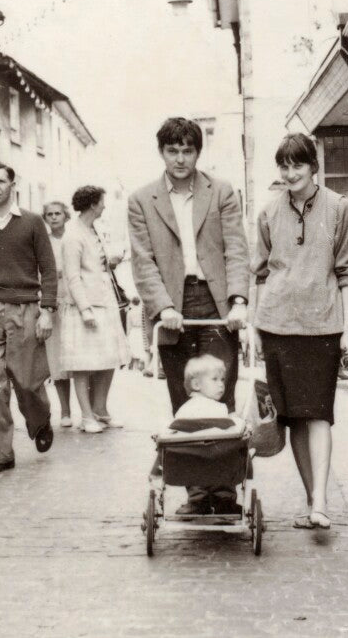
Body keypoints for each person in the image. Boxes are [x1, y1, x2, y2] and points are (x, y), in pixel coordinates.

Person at [128, 116, 249, 515]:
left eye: (188, 150)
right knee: (183, 402)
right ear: (161, 152)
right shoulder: (142, 199)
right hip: (172, 307)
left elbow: (235, 247)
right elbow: (143, 260)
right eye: (172, 150)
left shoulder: (222, 192)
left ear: (198, 152)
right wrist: (162, 306)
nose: (180, 159)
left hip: (214, 303)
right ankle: (198, 493)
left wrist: (238, 301)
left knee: (218, 393)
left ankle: (225, 492)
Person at [252, 133, 348, 531]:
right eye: (284, 165)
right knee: (295, 417)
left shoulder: (338, 208)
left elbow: (347, 271)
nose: (291, 172)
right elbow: (261, 274)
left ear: (313, 166)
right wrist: (256, 329)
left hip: (322, 327)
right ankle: (313, 499)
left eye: (298, 164)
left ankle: (321, 502)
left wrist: (347, 330)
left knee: (319, 416)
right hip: (278, 326)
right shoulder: (268, 212)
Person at [0, 162, 56, 474]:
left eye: (2, 181)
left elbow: (49, 269)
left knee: (27, 382)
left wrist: (48, 311)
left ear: (12, 184)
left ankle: (40, 420)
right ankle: (0, 454)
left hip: (25, 308)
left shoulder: (31, 222)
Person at [60, 185, 130, 433]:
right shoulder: (73, 235)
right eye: (102, 202)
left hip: (105, 302)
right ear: (92, 204)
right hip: (86, 307)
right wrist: (85, 309)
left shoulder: (93, 229)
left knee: (109, 358)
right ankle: (87, 416)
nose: (104, 206)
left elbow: (95, 265)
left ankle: (100, 409)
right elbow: (72, 276)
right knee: (83, 363)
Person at [43, 201, 73, 427]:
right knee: (58, 360)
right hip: (54, 302)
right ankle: (65, 411)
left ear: (66, 216)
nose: (54, 217)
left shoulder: (74, 237)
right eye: (49, 214)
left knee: (80, 356)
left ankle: (91, 410)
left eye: (58, 214)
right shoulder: (43, 242)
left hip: (76, 302)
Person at [127, 296, 146, 371]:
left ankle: (134, 368)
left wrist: (127, 335)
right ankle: (141, 367)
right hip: (141, 330)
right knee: (141, 348)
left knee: (134, 349)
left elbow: (128, 325)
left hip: (133, 331)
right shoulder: (142, 311)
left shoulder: (130, 312)